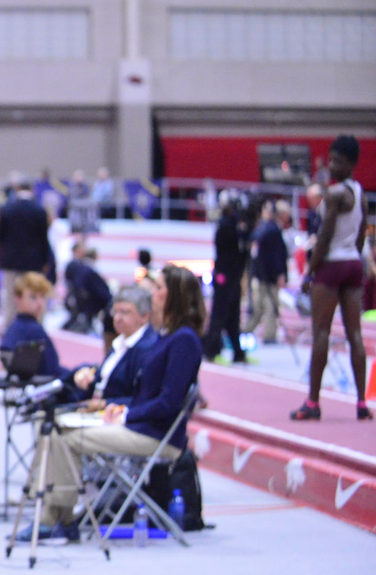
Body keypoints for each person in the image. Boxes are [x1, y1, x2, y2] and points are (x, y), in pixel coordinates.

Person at [16, 264, 205, 541]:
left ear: (173, 295)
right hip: (142, 425)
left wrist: (126, 414)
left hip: (156, 435)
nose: (153, 293)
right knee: (55, 428)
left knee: (65, 437)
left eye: (159, 288)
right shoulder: (168, 337)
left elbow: (169, 402)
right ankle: (58, 516)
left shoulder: (183, 340)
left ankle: (57, 518)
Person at [291, 136, 370, 421]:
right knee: (355, 334)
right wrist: (354, 256)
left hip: (332, 264)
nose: (334, 165)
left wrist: (310, 271)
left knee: (321, 332)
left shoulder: (336, 196)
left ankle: (313, 403)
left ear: (351, 164)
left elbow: (324, 238)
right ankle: (362, 403)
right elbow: (361, 232)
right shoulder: (360, 192)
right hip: (352, 262)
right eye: (332, 159)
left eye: (338, 161)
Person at [65, 286, 159, 410]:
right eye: (115, 312)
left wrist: (104, 404)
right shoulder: (121, 341)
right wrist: (87, 374)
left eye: (125, 312)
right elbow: (104, 378)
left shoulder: (147, 348)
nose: (117, 318)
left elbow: (142, 398)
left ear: (145, 316)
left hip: (118, 416)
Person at [0, 184, 52, 329]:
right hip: (34, 262)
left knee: (10, 297)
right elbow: (44, 238)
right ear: (31, 191)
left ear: (17, 191)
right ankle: (38, 326)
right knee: (36, 295)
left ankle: (8, 328)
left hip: (11, 261)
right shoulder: (39, 210)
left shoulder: (7, 209)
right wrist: (45, 260)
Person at [202, 191, 249, 363]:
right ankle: (210, 349)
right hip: (225, 276)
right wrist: (222, 276)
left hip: (233, 276)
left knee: (233, 315)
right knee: (220, 313)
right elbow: (228, 252)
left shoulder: (236, 225)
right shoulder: (225, 225)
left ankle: (237, 351)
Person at [0, 272, 63, 378]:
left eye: (42, 297)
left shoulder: (26, 326)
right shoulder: (26, 328)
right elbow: (6, 352)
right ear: (17, 298)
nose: (39, 303)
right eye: (33, 297)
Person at [245, 199, 288, 344]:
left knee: (259, 306)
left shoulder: (260, 229)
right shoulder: (272, 230)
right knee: (270, 306)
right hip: (268, 275)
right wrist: (280, 273)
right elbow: (277, 255)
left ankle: (247, 330)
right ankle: (268, 335)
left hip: (260, 274)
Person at [63, 243, 113, 334]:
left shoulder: (78, 267)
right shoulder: (82, 269)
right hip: (89, 302)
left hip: (84, 300)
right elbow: (103, 293)